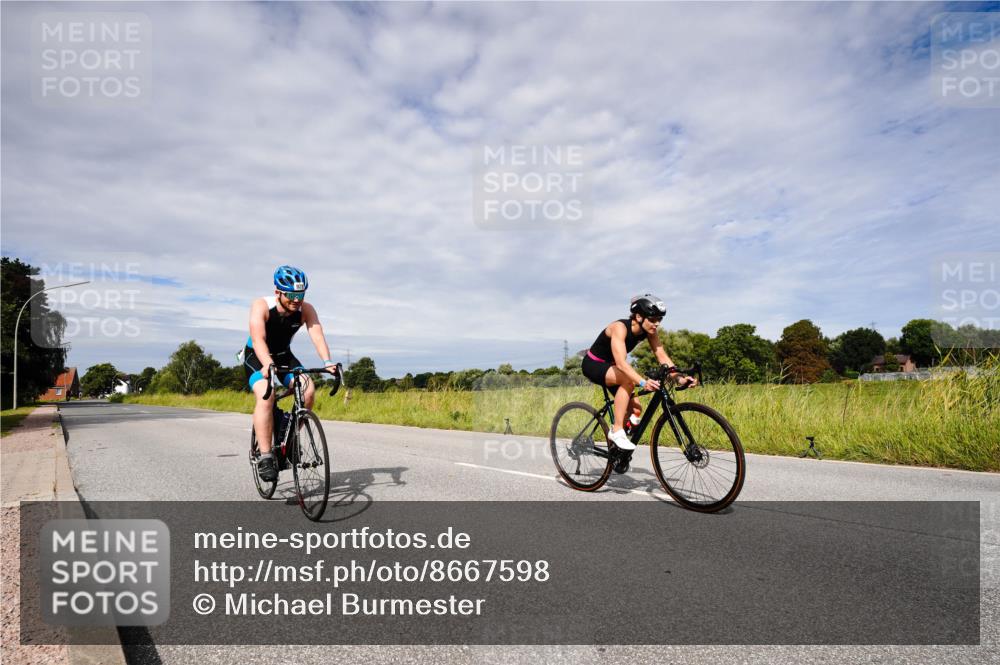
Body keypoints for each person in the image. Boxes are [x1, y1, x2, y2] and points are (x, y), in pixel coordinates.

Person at [241, 265, 337, 481]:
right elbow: (258, 340)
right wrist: (267, 364)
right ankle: (265, 456)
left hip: (284, 354)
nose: (297, 300)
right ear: (278, 292)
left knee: (308, 390)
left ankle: (291, 437)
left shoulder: (306, 309)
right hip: (257, 356)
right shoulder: (261, 305)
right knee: (267, 393)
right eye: (292, 295)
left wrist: (327, 361)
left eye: (301, 294)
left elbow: (317, 333)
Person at [581, 294, 696, 451]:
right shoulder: (619, 328)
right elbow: (621, 363)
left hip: (612, 367)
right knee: (627, 381)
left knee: (636, 410)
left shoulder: (649, 332)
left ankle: (617, 450)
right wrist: (642, 382)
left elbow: (662, 357)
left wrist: (680, 379)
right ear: (639, 316)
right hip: (593, 364)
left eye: (659, 320)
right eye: (653, 319)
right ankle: (617, 431)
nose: (657, 324)